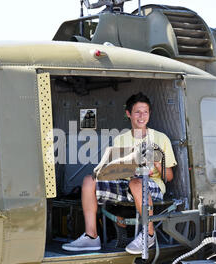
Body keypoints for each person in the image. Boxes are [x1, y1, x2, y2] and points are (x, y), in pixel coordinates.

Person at [62, 92, 177, 254]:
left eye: (145, 112)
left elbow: (169, 177)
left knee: (137, 182)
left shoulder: (160, 138)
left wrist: (157, 162)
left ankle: (148, 235)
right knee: (89, 180)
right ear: (128, 114)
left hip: (152, 187)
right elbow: (113, 170)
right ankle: (91, 236)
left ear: (150, 114)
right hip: (125, 184)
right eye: (137, 112)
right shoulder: (120, 139)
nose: (142, 116)